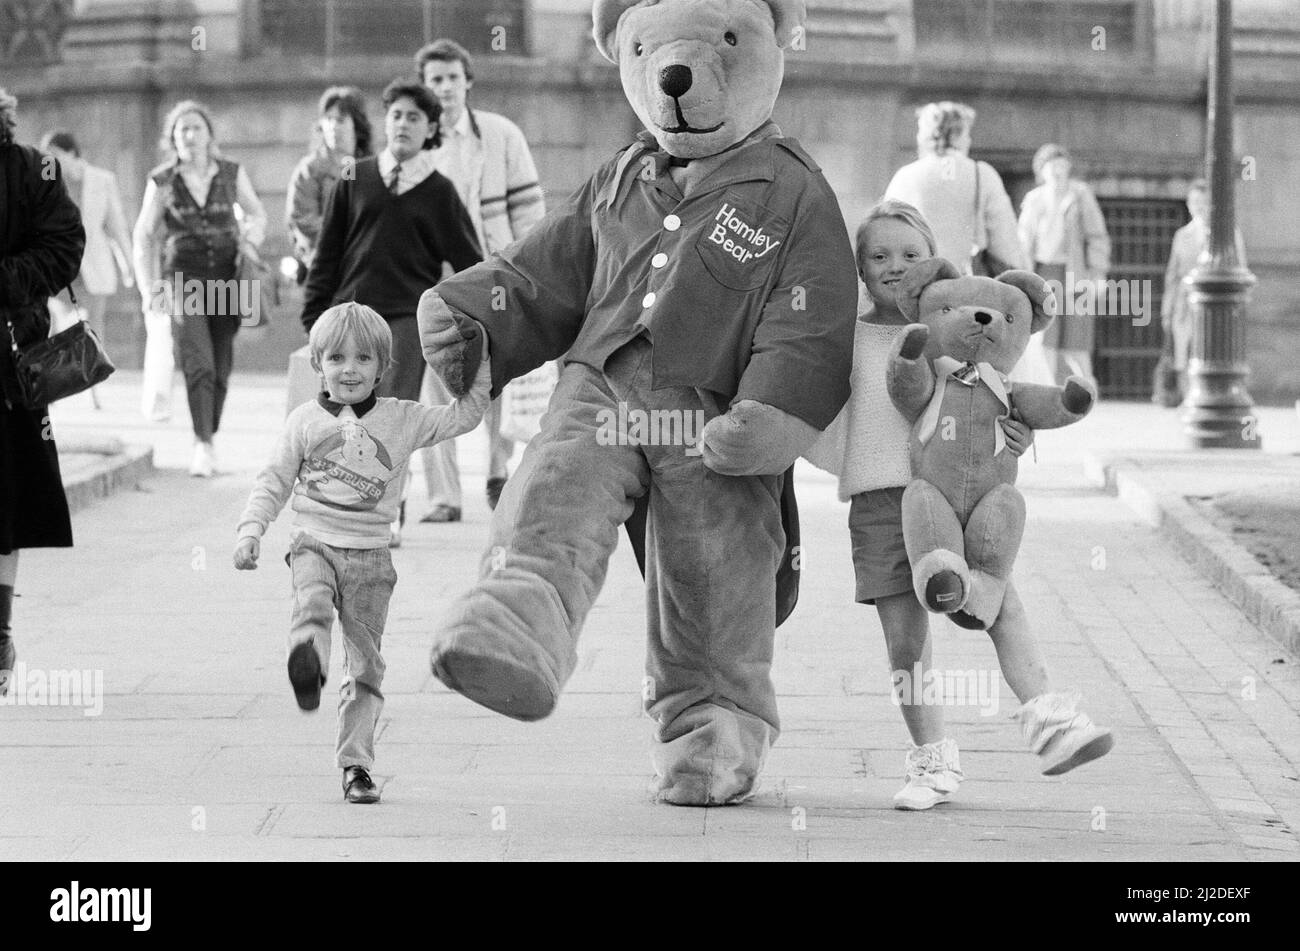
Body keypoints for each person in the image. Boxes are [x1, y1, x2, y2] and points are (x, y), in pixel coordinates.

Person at [805, 199, 1113, 810]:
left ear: (934, 262)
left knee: (1000, 605)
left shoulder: (957, 327)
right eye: (879, 256)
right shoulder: (847, 334)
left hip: (958, 498)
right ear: (860, 270)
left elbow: (1001, 398)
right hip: (877, 501)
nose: (896, 266)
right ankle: (933, 762)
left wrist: (1020, 438)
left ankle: (1052, 722)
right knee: (905, 640)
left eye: (911, 254)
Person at [233, 301, 490, 803]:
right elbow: (274, 481)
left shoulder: (404, 419)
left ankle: (356, 766)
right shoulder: (304, 421)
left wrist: (480, 365)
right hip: (314, 541)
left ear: (383, 366)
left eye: (363, 359)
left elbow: (466, 415)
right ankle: (308, 661)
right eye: (336, 359)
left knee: (366, 666)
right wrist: (251, 530)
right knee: (310, 605)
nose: (349, 369)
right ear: (317, 366)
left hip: (372, 557)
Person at [302, 79, 482, 546]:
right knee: (342, 418)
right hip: (347, 316)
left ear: (431, 130)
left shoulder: (440, 192)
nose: (402, 124)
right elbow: (327, 252)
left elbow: (471, 265)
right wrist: (313, 317)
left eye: (414, 117)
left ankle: (386, 514)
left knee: (383, 417)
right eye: (396, 115)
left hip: (404, 321)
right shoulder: (352, 176)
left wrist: (471, 319)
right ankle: (339, 510)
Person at [415, 39, 548, 522]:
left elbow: (530, 215)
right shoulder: (419, 146)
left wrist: (531, 274)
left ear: (467, 81)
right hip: (438, 284)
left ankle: (497, 471)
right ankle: (444, 496)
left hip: (495, 275)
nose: (445, 87)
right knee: (434, 384)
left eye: (452, 77)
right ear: (425, 87)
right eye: (435, 80)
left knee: (498, 377)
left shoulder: (501, 134)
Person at [0, 88, 86, 695]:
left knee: (4, 503)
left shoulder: (31, 169)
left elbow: (64, 246)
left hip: (7, 359)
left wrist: (6, 281)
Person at [132, 100, 267, 476]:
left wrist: (251, 240)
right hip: (182, 282)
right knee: (199, 364)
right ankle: (203, 444)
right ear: (173, 139)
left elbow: (256, 212)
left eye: (196, 128)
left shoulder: (230, 173)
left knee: (221, 369)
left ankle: (209, 433)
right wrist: (150, 291)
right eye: (181, 130)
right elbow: (144, 235)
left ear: (210, 135)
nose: (189, 136)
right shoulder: (162, 180)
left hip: (227, 280)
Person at [884, 101, 1023, 279]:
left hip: (917, 284)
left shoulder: (906, 176)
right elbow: (1005, 243)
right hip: (968, 284)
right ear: (959, 135)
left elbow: (886, 234)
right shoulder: (982, 173)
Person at [38, 130, 134, 384]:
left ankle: (92, 383)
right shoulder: (45, 182)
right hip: (58, 264)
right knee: (53, 318)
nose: (51, 160)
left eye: (55, 155)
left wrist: (128, 264)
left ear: (71, 153)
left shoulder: (102, 180)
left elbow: (116, 226)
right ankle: (53, 379)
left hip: (94, 262)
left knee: (93, 325)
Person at [1017, 143, 1111, 385]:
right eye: (1051, 166)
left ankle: (1087, 384)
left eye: (1061, 165)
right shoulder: (1034, 199)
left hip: (1076, 272)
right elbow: (1023, 241)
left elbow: (1096, 235)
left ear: (1068, 167)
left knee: (1077, 336)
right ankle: (1049, 387)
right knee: (1046, 335)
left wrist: (1098, 273)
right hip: (1044, 272)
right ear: (1041, 170)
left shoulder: (1080, 194)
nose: (1057, 171)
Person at [1155, 178, 1247, 406]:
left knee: (1209, 352)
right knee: (1182, 355)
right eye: (1194, 201)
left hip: (1216, 308)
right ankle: (1189, 399)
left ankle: (1210, 398)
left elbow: (1240, 268)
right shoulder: (1181, 235)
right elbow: (1172, 275)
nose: (1198, 206)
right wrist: (1167, 310)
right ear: (1188, 204)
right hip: (1184, 304)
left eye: (1203, 201)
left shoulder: (1228, 233)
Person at [286, 86, 373, 284]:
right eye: (328, 119)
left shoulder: (372, 167)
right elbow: (303, 219)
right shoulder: (309, 169)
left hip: (369, 269)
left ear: (356, 125)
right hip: (325, 268)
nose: (333, 126)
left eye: (340, 120)